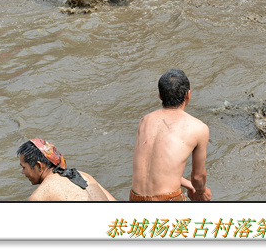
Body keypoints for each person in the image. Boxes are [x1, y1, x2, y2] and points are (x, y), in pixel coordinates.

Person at [131, 69, 211, 201]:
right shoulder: (199, 128)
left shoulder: (144, 121)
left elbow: (154, 168)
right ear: (188, 95)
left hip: (135, 197)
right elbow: (198, 177)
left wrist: (189, 186)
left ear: (160, 96)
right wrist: (201, 192)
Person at [17, 139, 115, 201]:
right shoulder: (85, 176)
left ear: (39, 166)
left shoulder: (40, 196)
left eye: (24, 167)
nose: (22, 172)